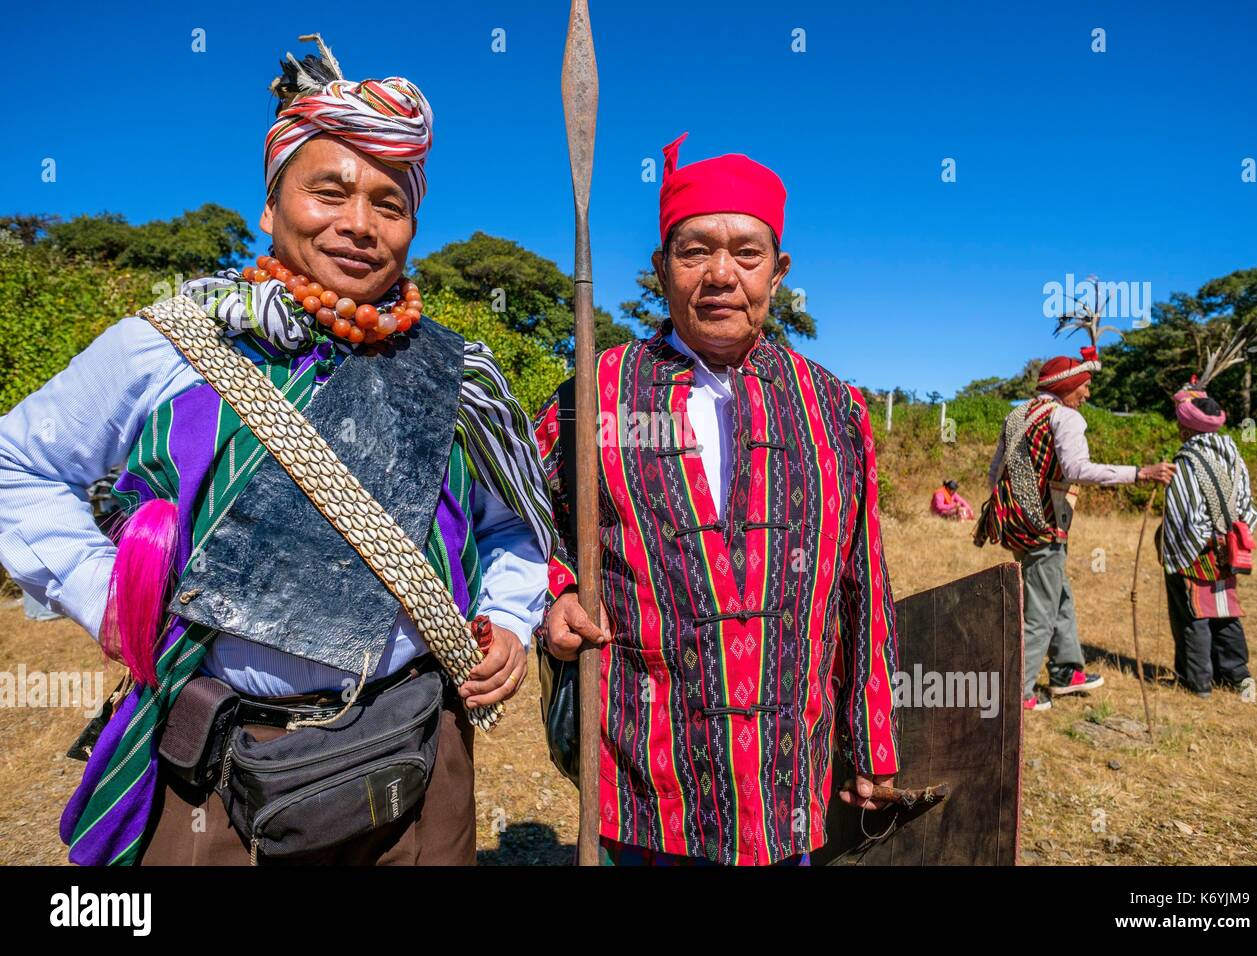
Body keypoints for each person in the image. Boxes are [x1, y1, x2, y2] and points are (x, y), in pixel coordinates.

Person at [0, 37, 553, 865]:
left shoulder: (459, 374)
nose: (358, 224)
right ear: (270, 207)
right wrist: (113, 597)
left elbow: (511, 529)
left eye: (389, 203)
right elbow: (21, 466)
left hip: (416, 752)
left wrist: (509, 620)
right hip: (217, 763)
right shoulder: (173, 345)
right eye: (328, 191)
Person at [533, 133, 900, 865]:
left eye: (746, 253)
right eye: (695, 251)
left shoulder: (835, 407)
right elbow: (526, 529)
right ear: (661, 268)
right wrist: (557, 593)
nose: (721, 275)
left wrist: (874, 741)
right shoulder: (592, 396)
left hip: (786, 773)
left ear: (780, 270)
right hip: (643, 771)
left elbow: (864, 584)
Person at [976, 347, 1174, 711]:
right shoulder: (1065, 418)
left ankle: (1067, 671)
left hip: (1015, 525)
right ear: (1068, 386)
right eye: (1084, 386)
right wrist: (1140, 473)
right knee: (1040, 610)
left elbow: (995, 472)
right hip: (1043, 530)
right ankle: (1019, 693)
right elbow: (1077, 470)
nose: (1088, 394)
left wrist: (1012, 508)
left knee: (1057, 594)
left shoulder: (1019, 413)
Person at [1158, 384, 1257, 700]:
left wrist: (1173, 549)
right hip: (1229, 545)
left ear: (1187, 426)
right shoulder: (1232, 452)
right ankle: (1237, 675)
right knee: (1226, 608)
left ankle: (1198, 681)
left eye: (1180, 423)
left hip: (1195, 548)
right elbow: (1244, 499)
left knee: (1193, 611)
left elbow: (1180, 513)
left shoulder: (1186, 460)